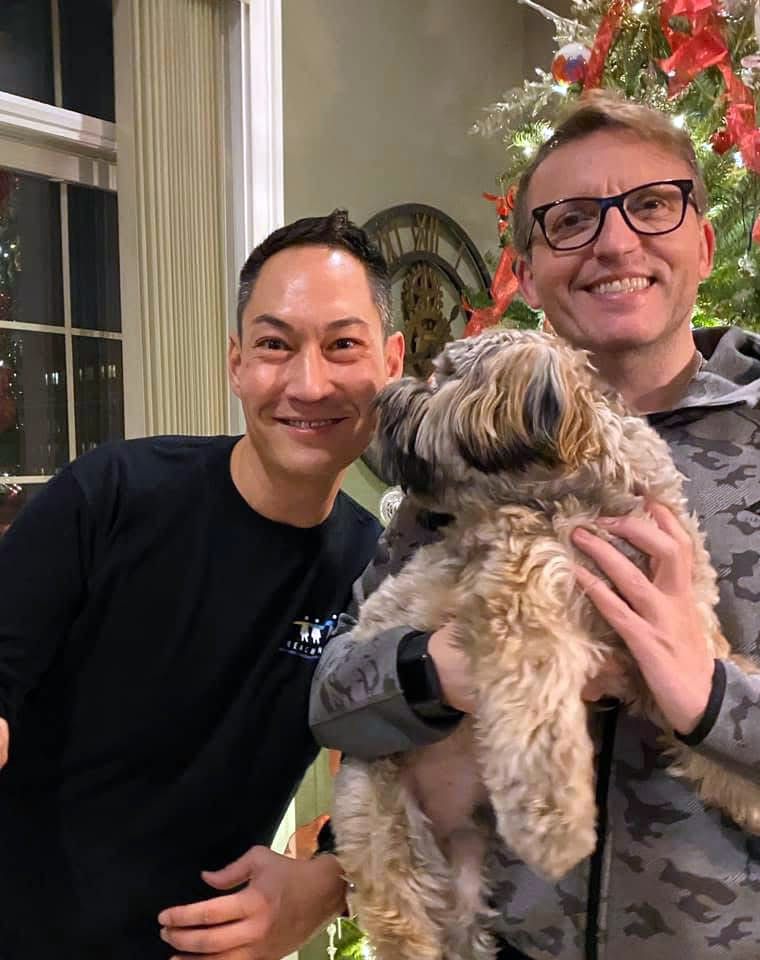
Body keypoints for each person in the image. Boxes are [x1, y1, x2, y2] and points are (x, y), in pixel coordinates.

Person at [310, 93, 760, 960]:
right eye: (572, 219)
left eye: (651, 204)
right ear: (526, 270)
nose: (615, 242)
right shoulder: (463, 453)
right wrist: (441, 671)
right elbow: (333, 699)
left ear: (704, 244)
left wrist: (707, 697)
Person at [0, 209, 404, 960]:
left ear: (392, 362)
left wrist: (326, 884)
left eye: (343, 345)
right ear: (236, 363)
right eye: (275, 345)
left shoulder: (381, 578)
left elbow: (402, 773)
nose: (308, 383)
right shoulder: (109, 497)